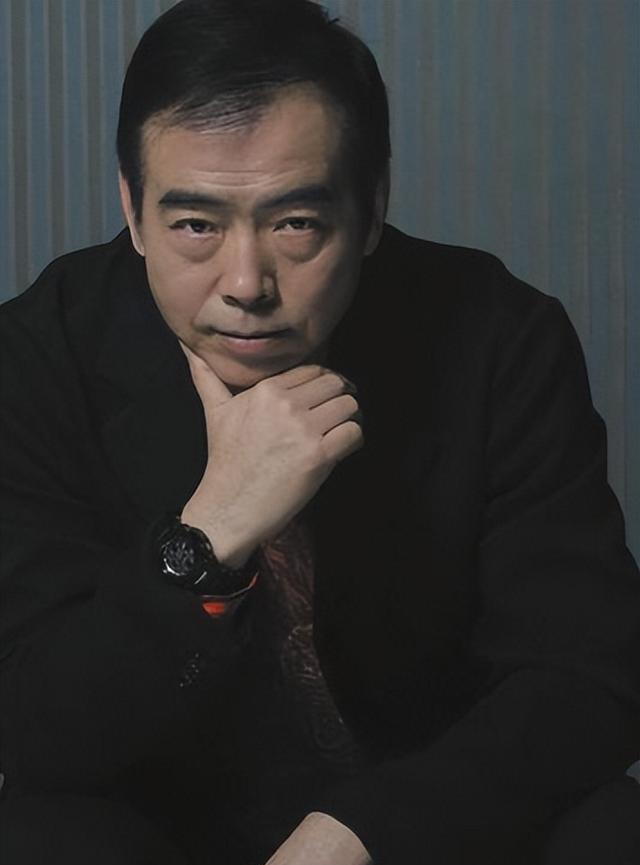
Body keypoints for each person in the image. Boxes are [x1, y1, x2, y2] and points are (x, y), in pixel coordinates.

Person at [1, 1, 639, 863]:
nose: (245, 283)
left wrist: (367, 830)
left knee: (614, 825)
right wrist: (211, 531)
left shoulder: (497, 335)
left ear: (371, 208)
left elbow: (589, 674)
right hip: (160, 830)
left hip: (424, 820)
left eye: (296, 224)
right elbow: (35, 729)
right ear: (132, 207)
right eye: (195, 225)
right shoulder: (37, 356)